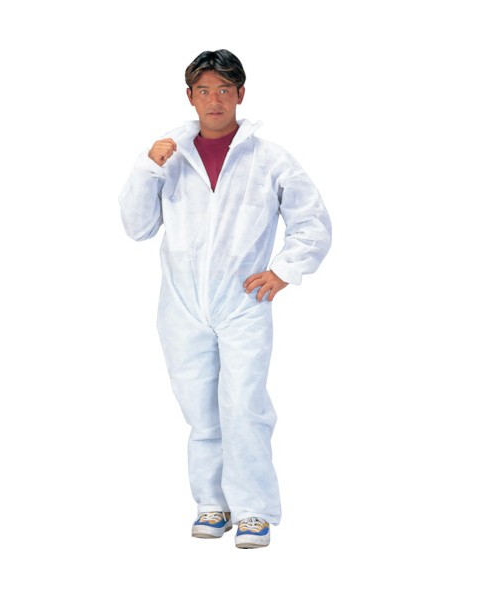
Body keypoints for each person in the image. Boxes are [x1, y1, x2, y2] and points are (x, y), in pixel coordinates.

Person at [118, 49, 332, 549]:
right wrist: (147, 168)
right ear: (190, 96)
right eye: (204, 90)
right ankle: (212, 504)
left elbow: (312, 221)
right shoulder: (169, 156)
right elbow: (137, 227)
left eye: (224, 90)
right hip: (182, 305)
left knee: (244, 405)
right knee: (200, 410)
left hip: (241, 303)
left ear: (240, 94)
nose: (214, 100)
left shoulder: (269, 159)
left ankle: (253, 510)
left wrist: (284, 270)